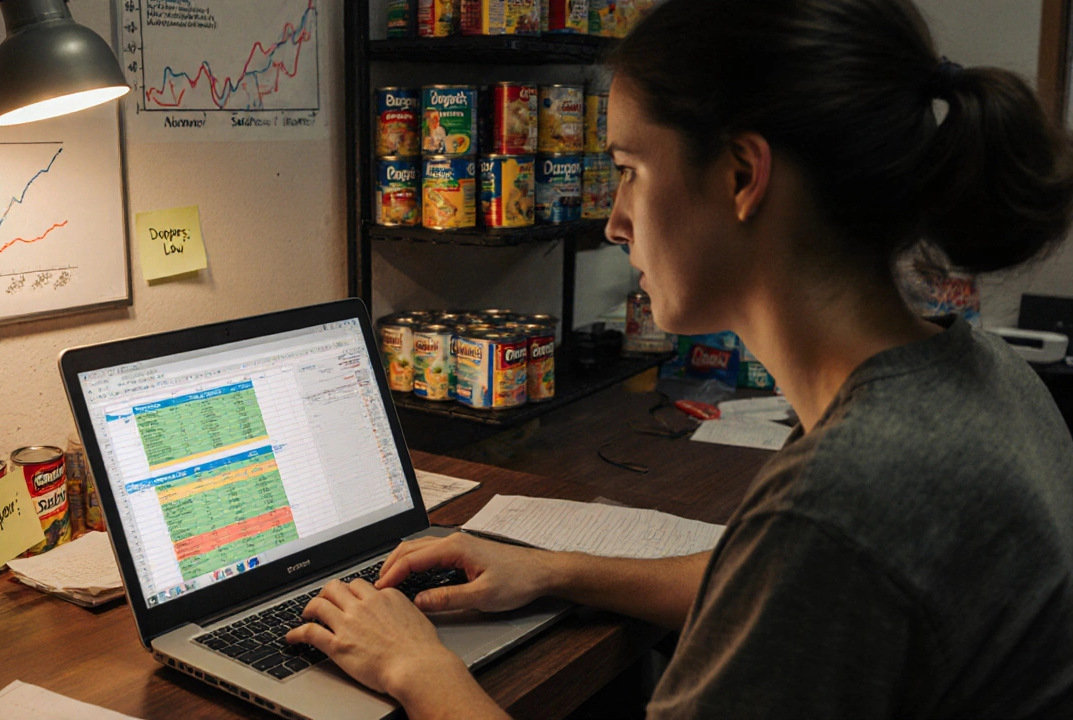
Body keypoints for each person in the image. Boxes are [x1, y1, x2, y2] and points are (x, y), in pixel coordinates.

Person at [286, 0, 1073, 716]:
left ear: (741, 176)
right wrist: (557, 571)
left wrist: (416, 668)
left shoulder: (843, 499)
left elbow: (812, 557)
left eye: (629, 171)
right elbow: (769, 587)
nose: (615, 223)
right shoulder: (976, 374)